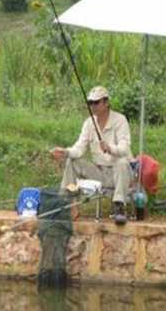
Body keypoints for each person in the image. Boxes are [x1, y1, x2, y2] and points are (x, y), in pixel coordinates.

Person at [51, 86, 133, 225]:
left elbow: (125, 148)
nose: (93, 106)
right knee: (73, 161)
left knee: (122, 162)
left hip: (119, 174)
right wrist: (65, 152)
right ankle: (69, 205)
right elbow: (79, 148)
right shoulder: (89, 123)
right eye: (90, 103)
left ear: (106, 103)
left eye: (96, 102)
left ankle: (119, 206)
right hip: (99, 172)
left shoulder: (120, 120)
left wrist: (110, 148)